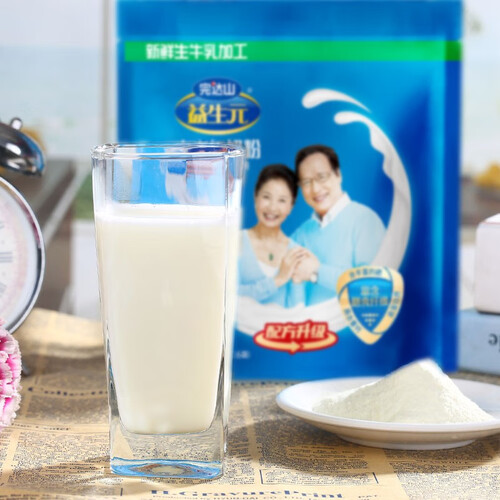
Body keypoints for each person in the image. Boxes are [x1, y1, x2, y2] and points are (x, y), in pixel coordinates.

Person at [291, 144, 386, 306]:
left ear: (338, 175)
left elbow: (374, 289)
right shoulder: (302, 233)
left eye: (322, 177)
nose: (315, 188)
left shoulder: (365, 220)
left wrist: (317, 272)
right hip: (305, 322)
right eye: (306, 182)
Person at [239, 164, 307, 307]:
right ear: (255, 197)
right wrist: (277, 280)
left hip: (279, 322)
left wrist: (296, 280)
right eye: (266, 197)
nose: (272, 207)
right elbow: (228, 294)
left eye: (282, 200)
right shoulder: (236, 241)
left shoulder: (295, 252)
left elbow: (296, 309)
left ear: (291, 206)